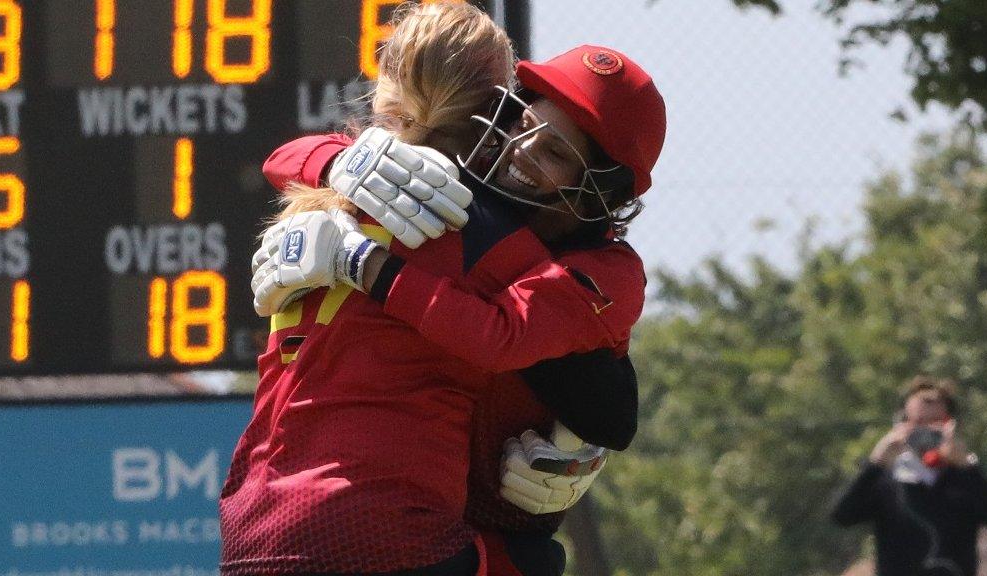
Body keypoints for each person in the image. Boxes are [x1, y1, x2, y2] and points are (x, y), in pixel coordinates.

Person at [223, 4, 663, 575]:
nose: (523, 150)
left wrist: (333, 174)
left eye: (555, 151)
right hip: (388, 532)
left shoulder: (350, 199)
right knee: (532, 560)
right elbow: (600, 396)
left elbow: (601, 398)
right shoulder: (481, 231)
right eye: (522, 123)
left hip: (250, 526)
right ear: (494, 109)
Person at [831, 376, 987, 576]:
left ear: (950, 425)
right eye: (918, 423)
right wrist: (875, 463)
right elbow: (842, 516)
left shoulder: (964, 478)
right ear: (902, 423)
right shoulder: (887, 480)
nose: (925, 433)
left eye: (934, 424)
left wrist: (966, 467)